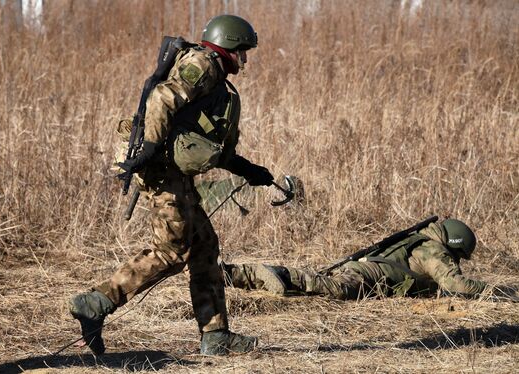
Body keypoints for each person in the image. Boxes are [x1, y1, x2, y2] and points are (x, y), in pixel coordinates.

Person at [69, 15, 274, 356]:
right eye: (243, 51)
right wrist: (149, 148)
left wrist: (247, 169)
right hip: (162, 170)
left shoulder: (216, 77)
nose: (245, 59)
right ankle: (95, 302)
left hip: (171, 171)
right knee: (171, 250)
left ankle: (216, 336)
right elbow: (163, 98)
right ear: (228, 46)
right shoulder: (203, 64)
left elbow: (202, 137)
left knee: (205, 245)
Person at [222, 219, 516, 301]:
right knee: (330, 288)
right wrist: (495, 291)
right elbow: (457, 284)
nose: (456, 262)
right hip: (367, 278)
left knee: (319, 289)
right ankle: (264, 274)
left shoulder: (422, 242)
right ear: (453, 246)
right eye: (457, 257)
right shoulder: (432, 250)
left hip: (366, 273)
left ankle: (235, 275)